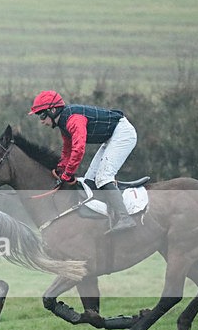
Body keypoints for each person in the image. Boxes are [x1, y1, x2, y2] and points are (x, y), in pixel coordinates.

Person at [29, 90, 137, 233]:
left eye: (42, 115)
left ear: (53, 110)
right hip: (111, 137)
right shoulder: (63, 123)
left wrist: (68, 174)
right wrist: (61, 169)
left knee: (103, 178)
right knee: (90, 180)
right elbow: (67, 150)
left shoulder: (73, 119)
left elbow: (78, 149)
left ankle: (125, 218)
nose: (41, 121)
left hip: (123, 134)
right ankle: (108, 217)